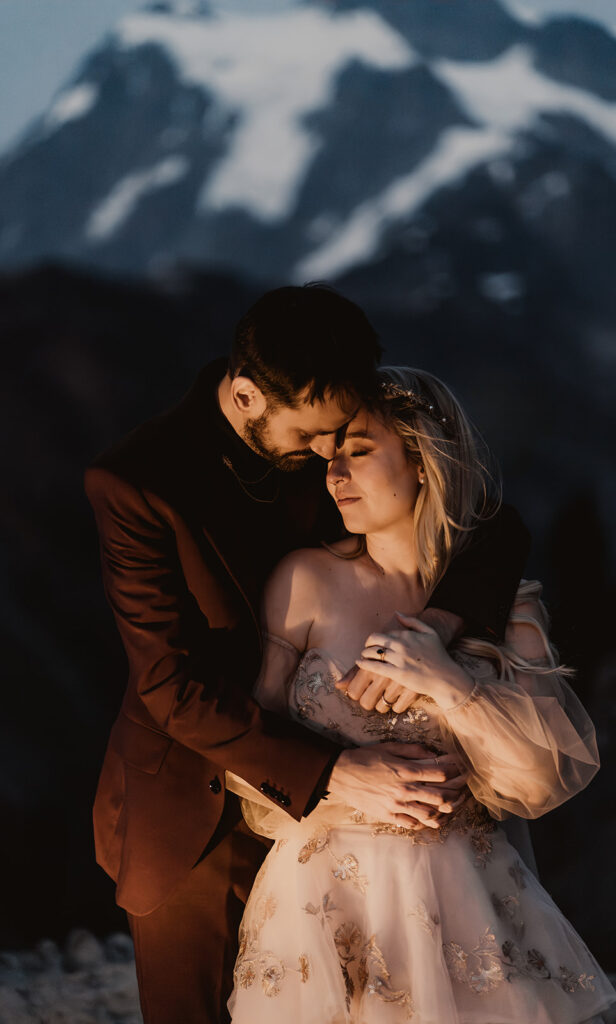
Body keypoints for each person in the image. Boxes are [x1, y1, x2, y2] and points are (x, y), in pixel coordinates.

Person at [85, 285, 530, 1024]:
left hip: (355, 825)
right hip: (193, 802)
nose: (329, 455)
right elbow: (167, 684)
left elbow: (489, 522)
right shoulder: (137, 482)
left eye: (341, 436)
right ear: (246, 395)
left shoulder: (329, 443)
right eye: (315, 435)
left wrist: (437, 623)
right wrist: (329, 774)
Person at [226, 366, 616, 1024]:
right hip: (322, 898)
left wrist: (447, 680)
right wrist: (336, 781)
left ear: (423, 461)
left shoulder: (507, 605)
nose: (334, 474)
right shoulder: (304, 580)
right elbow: (243, 752)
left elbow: (540, 783)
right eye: (329, 457)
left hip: (465, 896)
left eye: (358, 451)